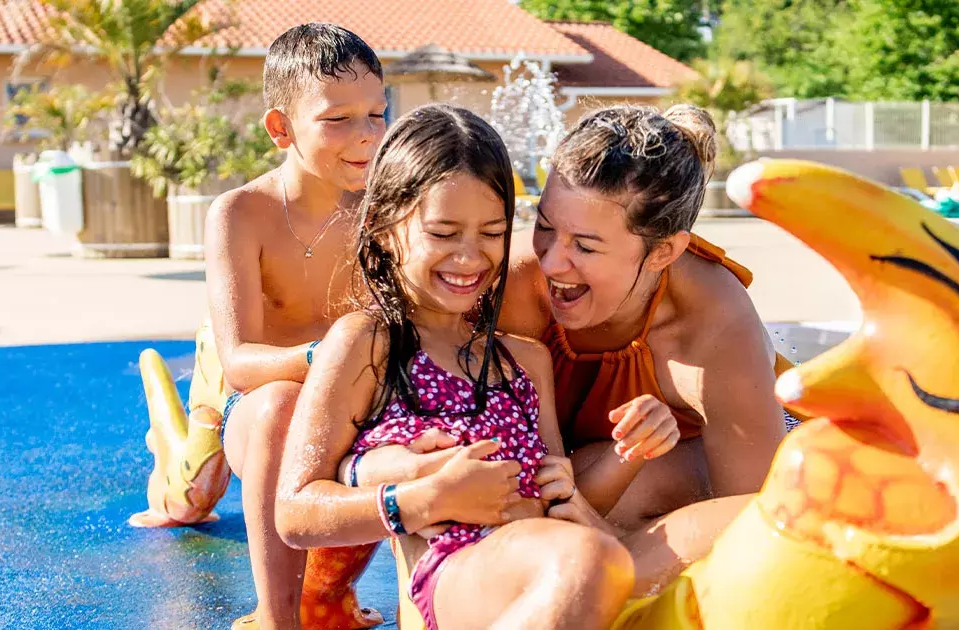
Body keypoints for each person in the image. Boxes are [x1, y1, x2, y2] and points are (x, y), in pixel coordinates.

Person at [353, 104, 793, 597]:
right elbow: (386, 416)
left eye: (585, 245)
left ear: (664, 252)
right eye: (544, 226)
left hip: (671, 476)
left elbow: (757, 514)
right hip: (564, 483)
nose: (553, 261)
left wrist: (604, 535)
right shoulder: (509, 281)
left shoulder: (714, 328)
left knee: (703, 489)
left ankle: (615, 569)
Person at [275, 103, 635, 630]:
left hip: (542, 562)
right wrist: (422, 498)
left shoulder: (526, 361)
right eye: (443, 233)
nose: (470, 257)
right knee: (587, 562)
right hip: (450, 579)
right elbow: (296, 511)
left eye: (492, 233)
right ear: (382, 227)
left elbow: (556, 492)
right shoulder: (367, 344)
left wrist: (611, 464)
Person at [195, 22, 388, 629]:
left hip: (347, 417)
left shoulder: (383, 212)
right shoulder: (241, 214)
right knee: (277, 406)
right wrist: (326, 356)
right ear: (281, 128)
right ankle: (276, 617)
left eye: (376, 115)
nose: (364, 137)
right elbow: (240, 362)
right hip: (260, 418)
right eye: (337, 120)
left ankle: (346, 594)